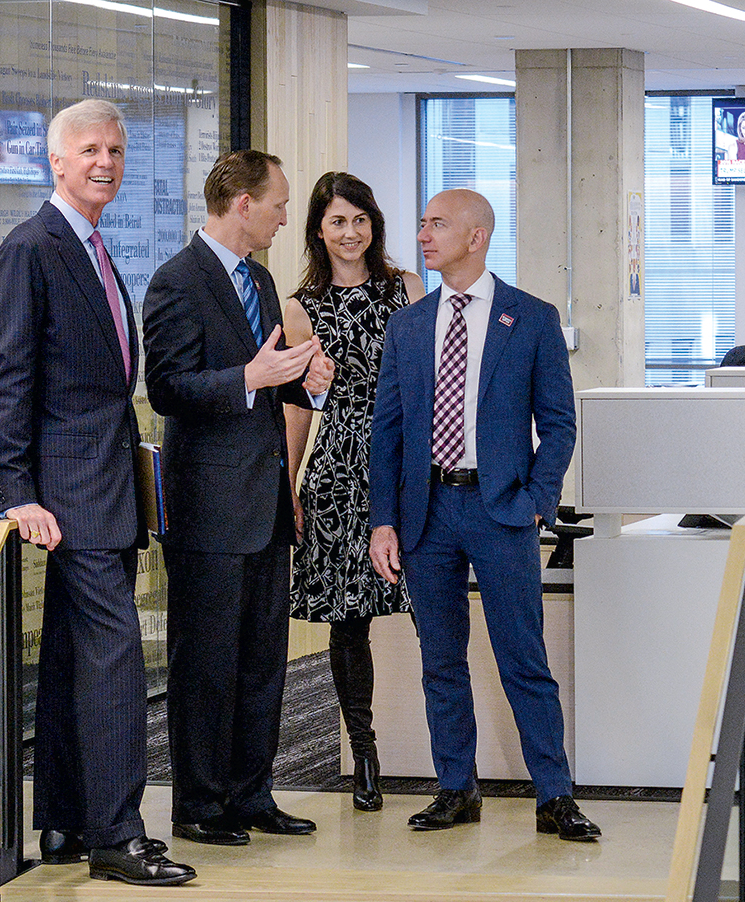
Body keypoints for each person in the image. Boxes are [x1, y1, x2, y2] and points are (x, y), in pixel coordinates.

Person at [0, 99, 195, 887]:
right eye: (91, 150)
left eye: (116, 150)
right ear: (56, 161)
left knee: (75, 658)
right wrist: (17, 491)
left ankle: (67, 819)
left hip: (105, 485)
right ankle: (118, 834)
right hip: (67, 493)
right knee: (115, 658)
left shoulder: (93, 246)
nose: (106, 162)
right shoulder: (30, 249)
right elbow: (6, 379)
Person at [368, 188, 601, 842]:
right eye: (422, 224)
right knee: (440, 658)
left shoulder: (531, 318)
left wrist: (537, 500)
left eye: (437, 224)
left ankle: (554, 795)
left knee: (523, 656)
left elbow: (558, 423)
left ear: (476, 237)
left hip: (502, 510)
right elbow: (387, 431)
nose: (423, 235)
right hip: (426, 512)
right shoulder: (408, 325)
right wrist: (382, 519)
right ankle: (456, 787)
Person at [141, 150, 334, 847]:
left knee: (261, 663)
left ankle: (252, 794)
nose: (286, 217)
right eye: (278, 204)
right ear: (243, 203)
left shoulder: (260, 277)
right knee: (206, 664)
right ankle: (198, 804)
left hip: (266, 503)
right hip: (209, 509)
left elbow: (265, 380)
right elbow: (168, 388)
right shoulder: (177, 281)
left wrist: (305, 382)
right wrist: (250, 377)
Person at [284, 172, 426, 813]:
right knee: (349, 623)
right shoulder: (300, 307)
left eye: (360, 220)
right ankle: (363, 755)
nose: (350, 233)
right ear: (319, 230)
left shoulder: (407, 290)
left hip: (408, 463)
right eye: (337, 221)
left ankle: (452, 759)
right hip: (339, 471)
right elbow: (297, 406)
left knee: (431, 610)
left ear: (375, 224)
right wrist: (288, 483)